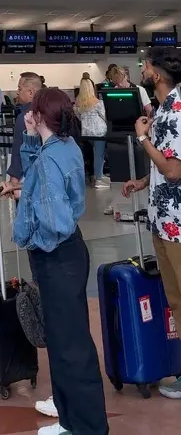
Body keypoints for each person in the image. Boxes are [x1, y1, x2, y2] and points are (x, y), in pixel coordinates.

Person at [2, 88, 108, 435]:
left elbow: (56, 220)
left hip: (56, 256)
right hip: (68, 255)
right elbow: (41, 175)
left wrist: (29, 207)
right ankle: (69, 418)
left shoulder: (50, 161)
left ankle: (90, 427)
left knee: (71, 348)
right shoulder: (64, 146)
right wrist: (31, 140)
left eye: (32, 112)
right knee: (64, 342)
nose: (27, 116)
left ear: (40, 115)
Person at [123, 46, 181, 399]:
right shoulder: (162, 109)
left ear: (156, 73)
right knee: (175, 298)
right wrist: (145, 181)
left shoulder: (176, 111)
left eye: (145, 64)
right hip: (164, 218)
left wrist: (142, 138)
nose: (142, 68)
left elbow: (174, 170)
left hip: (178, 222)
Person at [0, 72, 42, 195]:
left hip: (27, 176)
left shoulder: (24, 116)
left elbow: (18, 149)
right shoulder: (47, 114)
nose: (17, 92)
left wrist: (14, 180)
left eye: (19, 88)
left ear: (31, 93)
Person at [75, 73, 108, 186]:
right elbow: (105, 117)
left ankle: (99, 175)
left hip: (86, 133)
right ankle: (99, 179)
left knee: (94, 154)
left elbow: (79, 117)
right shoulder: (97, 102)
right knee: (99, 155)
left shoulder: (78, 103)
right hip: (99, 132)